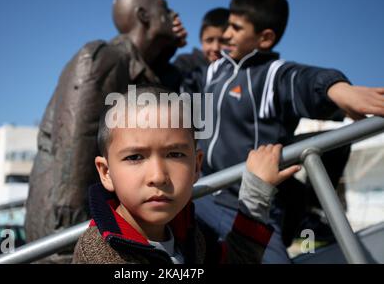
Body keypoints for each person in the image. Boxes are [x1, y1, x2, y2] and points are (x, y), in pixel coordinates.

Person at [192, 0, 384, 263]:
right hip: (203, 192)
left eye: (236, 28)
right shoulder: (214, 71)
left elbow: (303, 80)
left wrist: (339, 89)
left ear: (265, 38)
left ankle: (313, 217)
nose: (226, 35)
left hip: (248, 205)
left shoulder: (271, 75)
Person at [24, 0, 188, 262]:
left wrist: (167, 48)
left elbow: (163, 101)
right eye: (165, 7)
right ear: (143, 15)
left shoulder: (140, 69)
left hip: (94, 225)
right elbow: (75, 142)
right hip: (65, 230)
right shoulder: (103, 57)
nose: (174, 15)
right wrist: (69, 236)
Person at [72, 85, 300, 264]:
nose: (158, 176)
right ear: (106, 173)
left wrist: (255, 193)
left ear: (196, 166)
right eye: (135, 157)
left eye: (174, 154)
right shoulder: (99, 252)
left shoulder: (190, 232)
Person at [174, 8, 230, 94]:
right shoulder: (186, 63)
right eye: (209, 40)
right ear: (201, 40)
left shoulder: (237, 70)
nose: (215, 48)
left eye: (223, 41)